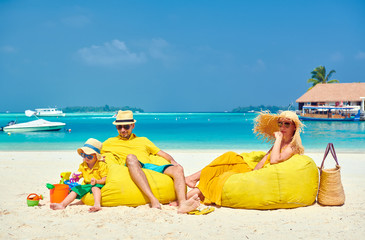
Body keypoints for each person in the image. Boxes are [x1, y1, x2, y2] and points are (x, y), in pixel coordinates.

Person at [185, 111, 304, 206]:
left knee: (222, 177)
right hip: (256, 172)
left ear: (294, 127)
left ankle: (186, 196)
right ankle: (193, 179)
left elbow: (274, 160)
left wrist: (278, 139)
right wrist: (253, 172)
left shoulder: (292, 147)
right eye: (280, 123)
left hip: (265, 177)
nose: (282, 127)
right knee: (230, 157)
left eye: (286, 124)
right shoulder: (280, 143)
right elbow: (265, 158)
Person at [101, 110, 200, 213]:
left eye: (126, 126)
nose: (122, 130)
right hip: (131, 165)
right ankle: (153, 200)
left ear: (133, 126)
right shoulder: (109, 142)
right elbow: (93, 154)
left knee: (178, 169)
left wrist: (174, 163)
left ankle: (183, 204)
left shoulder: (143, 140)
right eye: (119, 127)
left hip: (149, 166)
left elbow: (161, 153)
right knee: (131, 157)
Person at [50, 138, 108, 212]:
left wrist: (96, 181)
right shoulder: (83, 165)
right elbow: (79, 176)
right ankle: (62, 204)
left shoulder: (101, 165)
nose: (86, 158)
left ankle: (97, 205)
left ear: (96, 156)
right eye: (84, 155)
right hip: (87, 185)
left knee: (94, 188)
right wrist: (75, 177)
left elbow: (104, 179)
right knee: (75, 189)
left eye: (89, 156)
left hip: (98, 184)